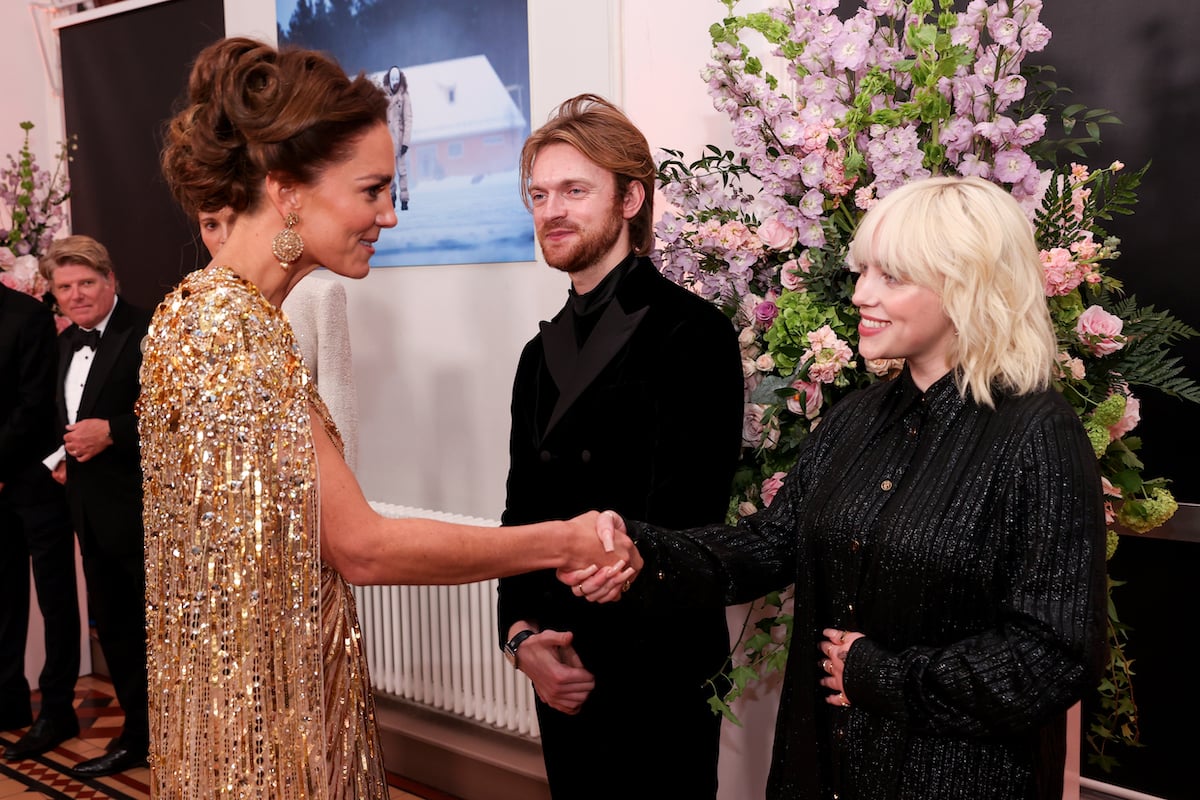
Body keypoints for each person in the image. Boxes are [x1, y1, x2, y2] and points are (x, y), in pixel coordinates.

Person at [147, 37, 634, 800]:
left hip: (252, 701)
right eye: (372, 188)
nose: (390, 215)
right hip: (270, 729)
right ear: (288, 190)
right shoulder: (230, 331)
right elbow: (363, 548)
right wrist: (564, 540)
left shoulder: (200, 315)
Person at [577, 176, 1108, 800]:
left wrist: (882, 675)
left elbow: (1055, 654)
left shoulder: (1038, 432)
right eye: (862, 272)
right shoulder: (857, 415)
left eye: (891, 277)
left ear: (967, 286)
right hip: (821, 764)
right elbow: (772, 542)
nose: (860, 294)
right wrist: (646, 552)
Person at [498, 93, 743, 799]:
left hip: (656, 669)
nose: (552, 211)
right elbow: (520, 515)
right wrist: (523, 640)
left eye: (576, 190)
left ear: (631, 197)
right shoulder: (534, 358)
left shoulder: (693, 335)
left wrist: (576, 642)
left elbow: (689, 521)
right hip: (558, 666)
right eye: (540, 194)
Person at [37, 235, 153, 778]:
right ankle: (139, 736)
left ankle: (185, 735)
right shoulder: (64, 344)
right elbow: (73, 411)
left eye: (87, 282)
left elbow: (185, 414)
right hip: (92, 511)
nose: (77, 294)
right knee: (119, 631)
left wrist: (114, 432)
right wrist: (62, 454)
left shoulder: (151, 328)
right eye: (65, 287)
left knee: (162, 633)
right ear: (54, 295)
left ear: (112, 282)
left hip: (148, 513)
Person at [198, 207, 361, 470]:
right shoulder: (193, 308)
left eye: (235, 222)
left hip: (303, 481)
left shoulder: (318, 296)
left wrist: (345, 494)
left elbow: (338, 405)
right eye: (210, 225)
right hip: (224, 485)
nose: (225, 237)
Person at [0, 284, 81, 761]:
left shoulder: (27, 315)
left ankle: (57, 708)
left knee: (55, 599)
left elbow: (34, 405)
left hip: (35, 480)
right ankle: (8, 702)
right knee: (2, 597)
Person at [383, 65, 412, 211]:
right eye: (392, 79)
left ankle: (405, 200)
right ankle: (391, 197)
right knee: (390, 172)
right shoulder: (382, 97)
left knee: (402, 171)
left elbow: (408, 119)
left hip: (400, 141)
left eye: (397, 80)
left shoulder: (404, 96)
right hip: (387, 141)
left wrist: (405, 142)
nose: (394, 82)